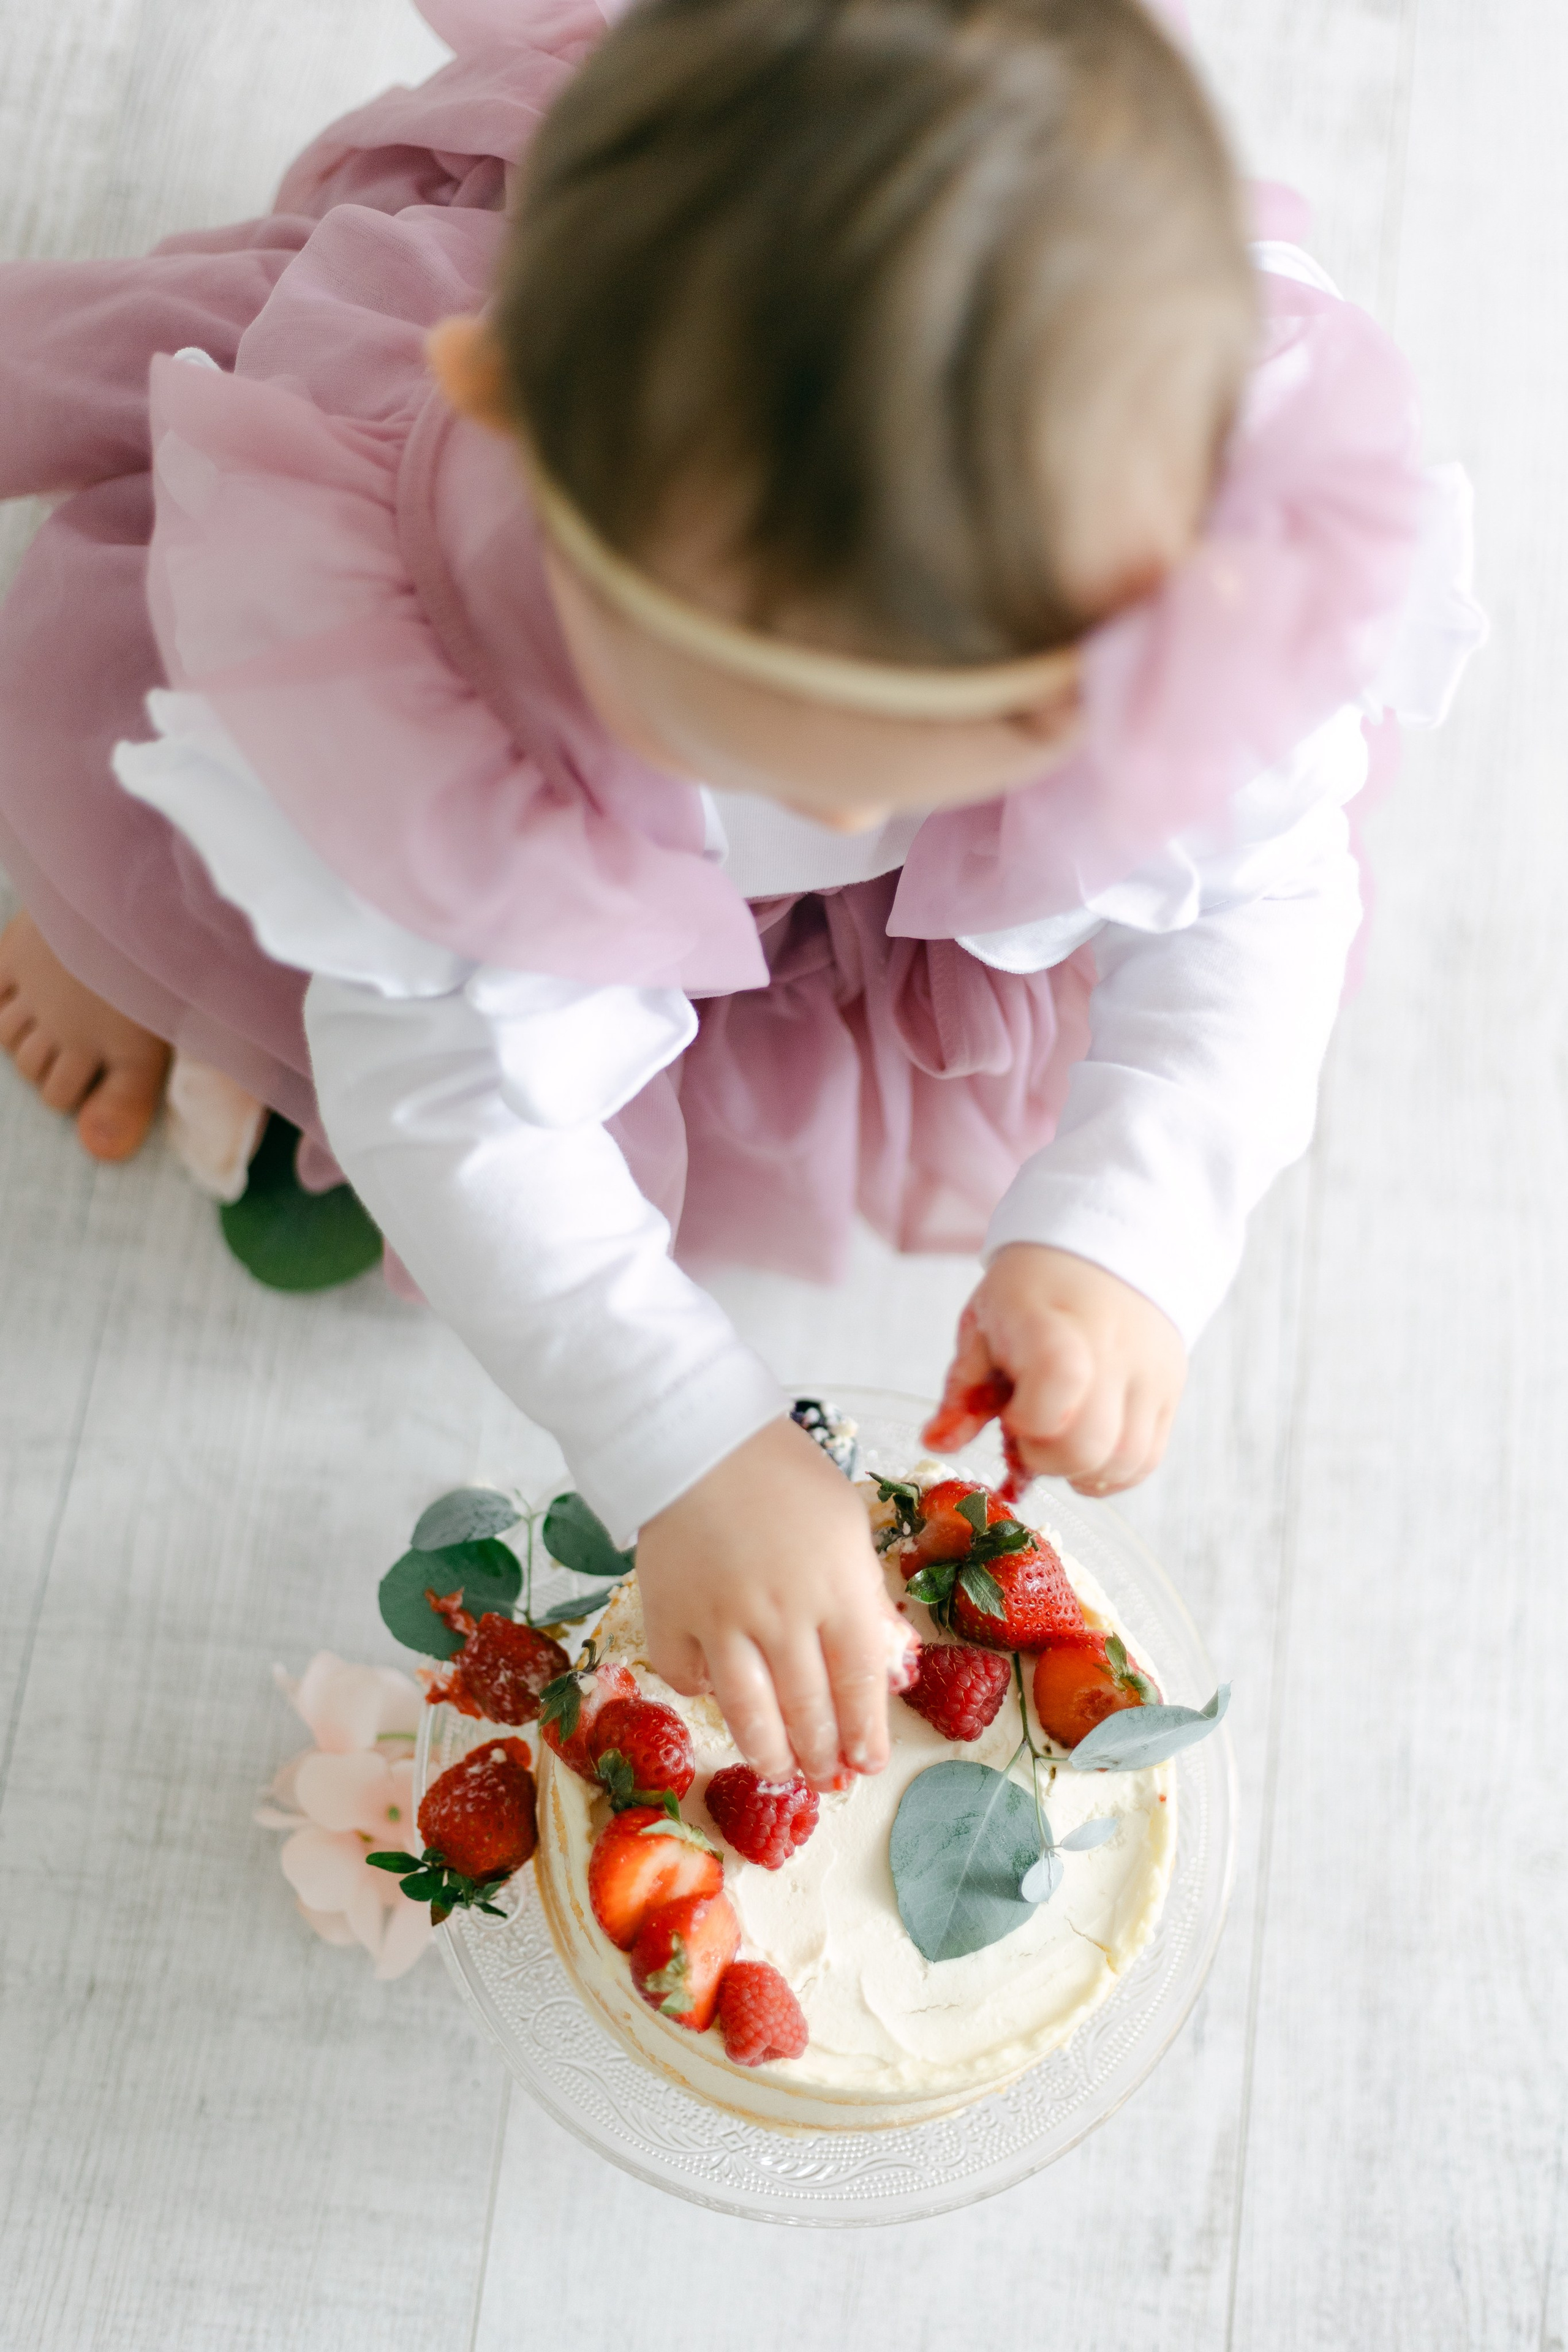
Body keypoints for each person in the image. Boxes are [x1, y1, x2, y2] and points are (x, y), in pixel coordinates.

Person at [0, 0, 1481, 1790]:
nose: (857, 801)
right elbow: (452, 1096)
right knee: (250, 862)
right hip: (505, 797)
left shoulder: (1168, 550)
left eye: (974, 732)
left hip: (742, 768)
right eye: (782, 724)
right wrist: (686, 1439)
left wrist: (1131, 1227)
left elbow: (1259, 899)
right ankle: (158, 928)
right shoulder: (450, 670)